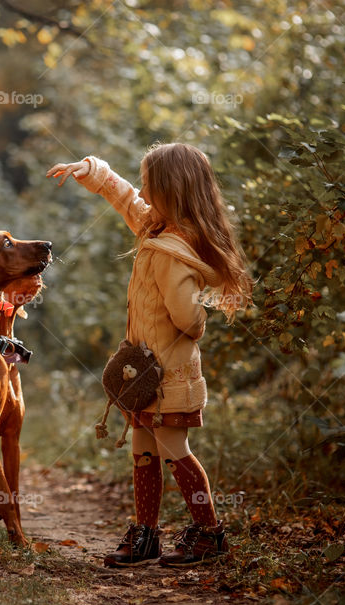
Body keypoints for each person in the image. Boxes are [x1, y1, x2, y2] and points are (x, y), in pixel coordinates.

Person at [46, 143, 252, 567]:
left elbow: (190, 322)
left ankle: (209, 534)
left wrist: (194, 310)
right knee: (142, 449)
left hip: (170, 375)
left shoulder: (172, 254)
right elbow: (125, 197)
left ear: (169, 190)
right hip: (142, 375)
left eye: (148, 185)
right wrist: (92, 169)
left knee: (175, 449)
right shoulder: (157, 231)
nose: (141, 190)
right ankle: (146, 535)